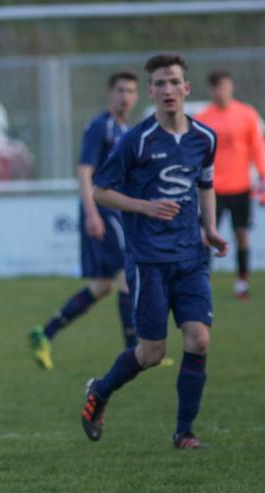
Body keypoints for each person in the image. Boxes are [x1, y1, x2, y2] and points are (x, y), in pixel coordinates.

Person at [81, 54, 228, 450]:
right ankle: (101, 390)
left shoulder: (205, 138)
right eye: (159, 84)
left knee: (198, 340)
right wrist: (145, 206)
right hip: (149, 260)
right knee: (150, 353)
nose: (167, 90)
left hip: (191, 257)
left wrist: (210, 229)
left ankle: (184, 433)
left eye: (173, 82)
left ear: (186, 89)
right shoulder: (137, 140)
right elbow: (100, 190)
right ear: (152, 92)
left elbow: (206, 184)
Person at [29, 72, 140, 370]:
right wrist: (91, 212)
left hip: (114, 210)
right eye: (120, 90)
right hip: (101, 211)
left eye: (130, 91)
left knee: (103, 285)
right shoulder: (100, 126)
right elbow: (84, 171)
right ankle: (134, 351)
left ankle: (46, 332)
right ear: (110, 93)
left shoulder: (124, 129)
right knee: (125, 275)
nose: (125, 96)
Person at [194, 69, 265, 299]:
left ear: (231, 87)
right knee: (205, 237)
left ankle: (242, 283)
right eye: (216, 87)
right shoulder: (203, 118)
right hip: (210, 190)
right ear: (211, 90)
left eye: (224, 86)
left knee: (241, 235)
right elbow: (195, 155)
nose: (220, 92)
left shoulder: (246, 114)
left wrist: (263, 176)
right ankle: (202, 283)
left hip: (240, 187)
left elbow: (258, 149)